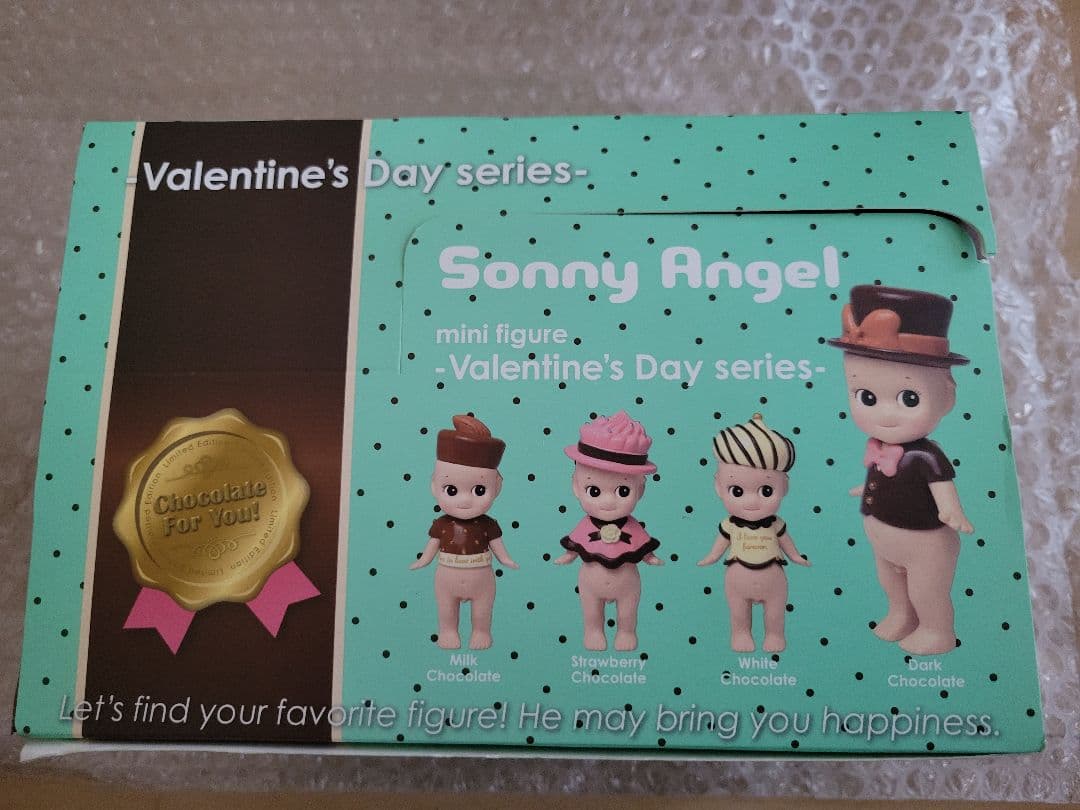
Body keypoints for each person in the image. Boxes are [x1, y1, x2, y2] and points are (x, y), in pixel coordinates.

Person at [828, 285, 974, 656]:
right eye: (866, 397)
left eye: (909, 398)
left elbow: (942, 487)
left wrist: (951, 510)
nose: (885, 414)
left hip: (924, 543)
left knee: (926, 590)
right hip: (884, 540)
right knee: (891, 582)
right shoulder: (881, 448)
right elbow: (886, 474)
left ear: (947, 396)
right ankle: (900, 614)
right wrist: (868, 489)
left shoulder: (925, 456)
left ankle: (937, 630)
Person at [698, 413, 809, 653]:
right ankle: (741, 635)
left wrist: (796, 556)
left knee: (775, 613)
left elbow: (787, 543)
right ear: (718, 487)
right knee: (738, 612)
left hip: (774, 579)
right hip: (737, 579)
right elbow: (719, 546)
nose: (751, 502)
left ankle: (774, 636)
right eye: (737, 491)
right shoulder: (730, 525)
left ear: (784, 486)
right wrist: (711, 557)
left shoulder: (776, 524)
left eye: (766, 490)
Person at [555, 411, 662, 652]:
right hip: (590, 581)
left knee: (627, 611)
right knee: (591, 610)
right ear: (576, 486)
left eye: (623, 491)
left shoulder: (633, 526)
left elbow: (643, 546)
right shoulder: (585, 525)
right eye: (594, 490)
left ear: (640, 491)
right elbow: (575, 544)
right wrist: (569, 555)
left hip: (627, 581)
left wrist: (650, 557)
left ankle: (626, 632)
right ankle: (593, 632)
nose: (608, 502)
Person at [411, 414, 517, 650]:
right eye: (451, 490)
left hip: (481, 576)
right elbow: (432, 546)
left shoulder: (488, 524)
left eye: (479, 490)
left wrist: (506, 559)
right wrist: (423, 560)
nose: (465, 500)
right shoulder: (442, 524)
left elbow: (498, 545)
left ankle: (481, 632)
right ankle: (448, 633)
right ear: (434, 485)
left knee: (482, 610)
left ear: (497, 487)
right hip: (447, 575)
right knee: (446, 609)